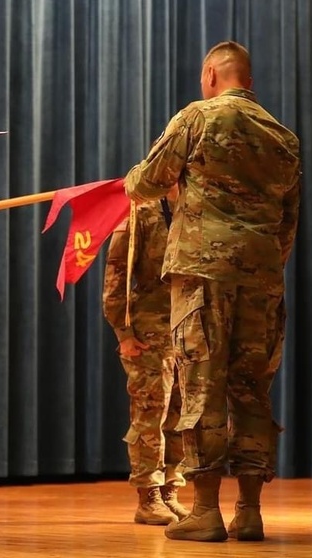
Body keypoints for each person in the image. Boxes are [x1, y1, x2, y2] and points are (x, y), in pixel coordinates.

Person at [124, 41, 301, 542]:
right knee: (251, 390)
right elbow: (288, 224)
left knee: (201, 386)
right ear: (248, 79)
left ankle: (204, 509)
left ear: (210, 75)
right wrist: (260, 264)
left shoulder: (198, 118)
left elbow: (146, 182)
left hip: (203, 275)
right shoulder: (283, 138)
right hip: (262, 277)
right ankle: (249, 510)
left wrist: (133, 182)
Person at [102, 189, 189, 526]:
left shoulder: (197, 208)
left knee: (182, 413)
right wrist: (122, 332)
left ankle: (171, 489)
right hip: (148, 329)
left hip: (189, 325)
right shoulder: (140, 213)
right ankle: (148, 494)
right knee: (151, 411)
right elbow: (116, 274)